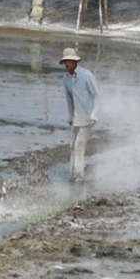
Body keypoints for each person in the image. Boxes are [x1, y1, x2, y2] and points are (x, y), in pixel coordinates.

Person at [60, 47, 100, 181]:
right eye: (65, 62)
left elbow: (96, 96)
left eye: (69, 61)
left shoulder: (86, 75)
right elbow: (69, 99)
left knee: (79, 145)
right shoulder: (66, 78)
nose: (67, 64)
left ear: (75, 62)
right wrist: (70, 116)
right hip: (76, 117)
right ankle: (72, 173)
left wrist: (94, 115)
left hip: (87, 117)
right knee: (72, 146)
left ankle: (78, 176)